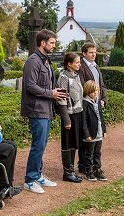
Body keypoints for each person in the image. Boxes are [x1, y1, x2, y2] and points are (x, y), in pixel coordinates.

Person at [21, 29, 67, 194]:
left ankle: (38, 174)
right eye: (52, 43)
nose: (54, 46)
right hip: (36, 110)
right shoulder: (33, 61)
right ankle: (30, 179)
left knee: (42, 144)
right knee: (38, 145)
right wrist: (51, 93)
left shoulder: (45, 61)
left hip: (45, 109)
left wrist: (55, 91)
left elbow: (44, 85)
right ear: (43, 43)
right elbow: (30, 86)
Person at [76, 43, 107, 174]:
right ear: (84, 54)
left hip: (97, 102)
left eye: (94, 52)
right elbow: (83, 86)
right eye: (90, 52)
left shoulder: (96, 66)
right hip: (87, 103)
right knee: (87, 137)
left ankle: (94, 166)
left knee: (96, 133)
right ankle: (84, 166)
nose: (94, 54)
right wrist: (90, 98)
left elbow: (102, 85)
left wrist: (103, 99)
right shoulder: (81, 67)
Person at [56, 52, 83, 183]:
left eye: (79, 62)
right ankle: (67, 172)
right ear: (69, 64)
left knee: (74, 142)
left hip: (78, 113)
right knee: (67, 142)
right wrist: (66, 119)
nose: (79, 64)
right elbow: (61, 100)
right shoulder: (63, 78)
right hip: (69, 114)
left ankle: (71, 170)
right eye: (77, 62)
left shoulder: (76, 76)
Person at [81, 80, 108, 181]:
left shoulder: (97, 101)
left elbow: (101, 117)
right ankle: (89, 171)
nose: (95, 93)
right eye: (93, 91)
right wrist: (86, 134)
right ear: (88, 92)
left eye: (97, 91)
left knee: (98, 153)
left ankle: (97, 169)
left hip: (99, 132)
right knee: (89, 154)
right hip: (90, 134)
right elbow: (83, 121)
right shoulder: (85, 103)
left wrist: (104, 130)